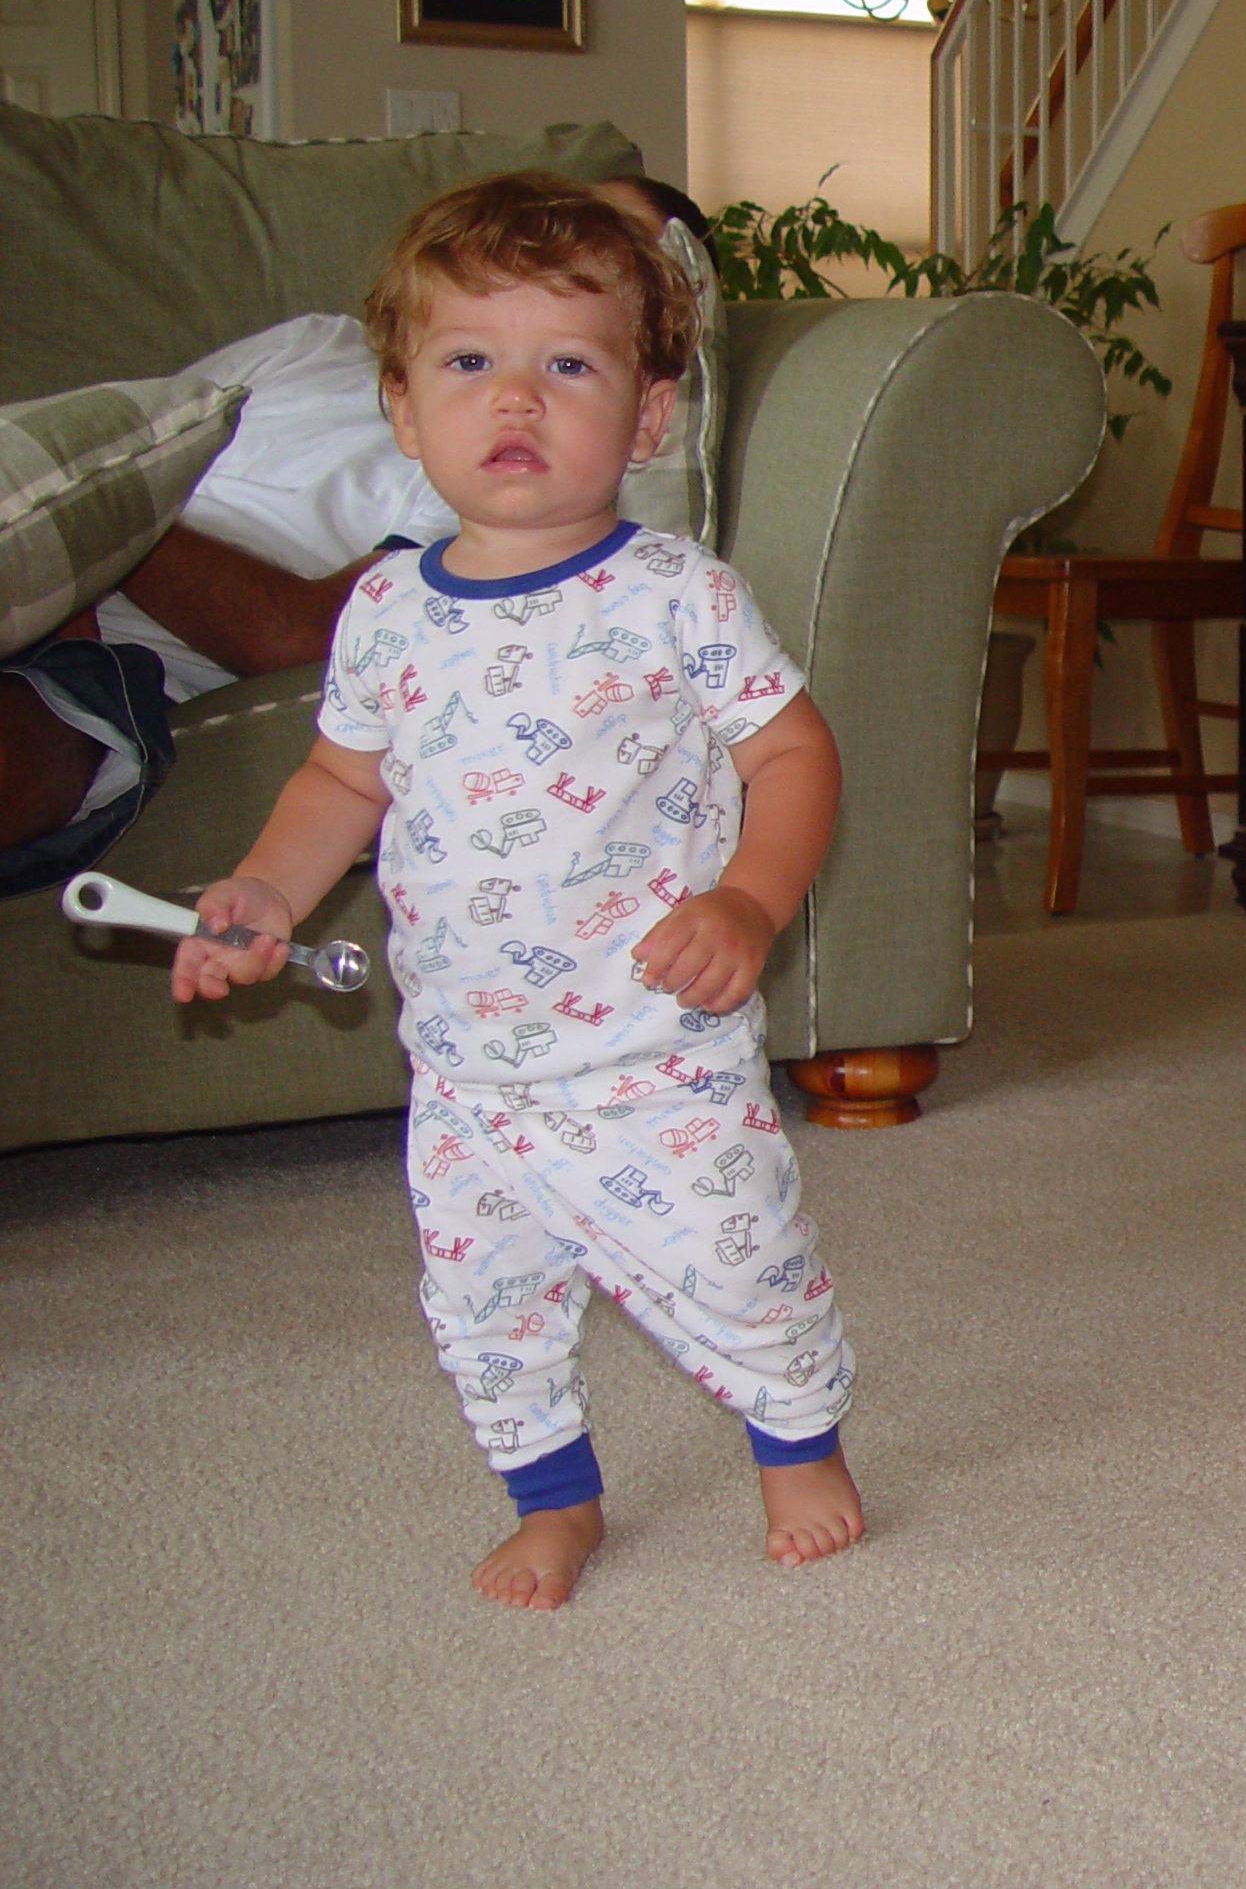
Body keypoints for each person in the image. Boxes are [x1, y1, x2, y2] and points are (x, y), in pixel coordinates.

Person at [170, 171, 859, 1612]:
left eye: (569, 364)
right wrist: (263, 895)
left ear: (648, 413)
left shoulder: (676, 595)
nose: (517, 401)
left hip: (654, 1046)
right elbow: (340, 792)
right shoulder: (383, 611)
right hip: (472, 1068)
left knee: (741, 1254)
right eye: (471, 363)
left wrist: (747, 901)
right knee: (487, 1308)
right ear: (404, 407)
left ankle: (796, 1443)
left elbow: (792, 752)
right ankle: (555, 1498)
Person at [0, 174, 712, 898]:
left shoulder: (511, 496)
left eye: (603, 248)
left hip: (90, 649)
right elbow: (127, 440)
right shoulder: (305, 342)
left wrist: (99, 541)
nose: (548, 255)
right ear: (400, 402)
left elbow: (293, 648)